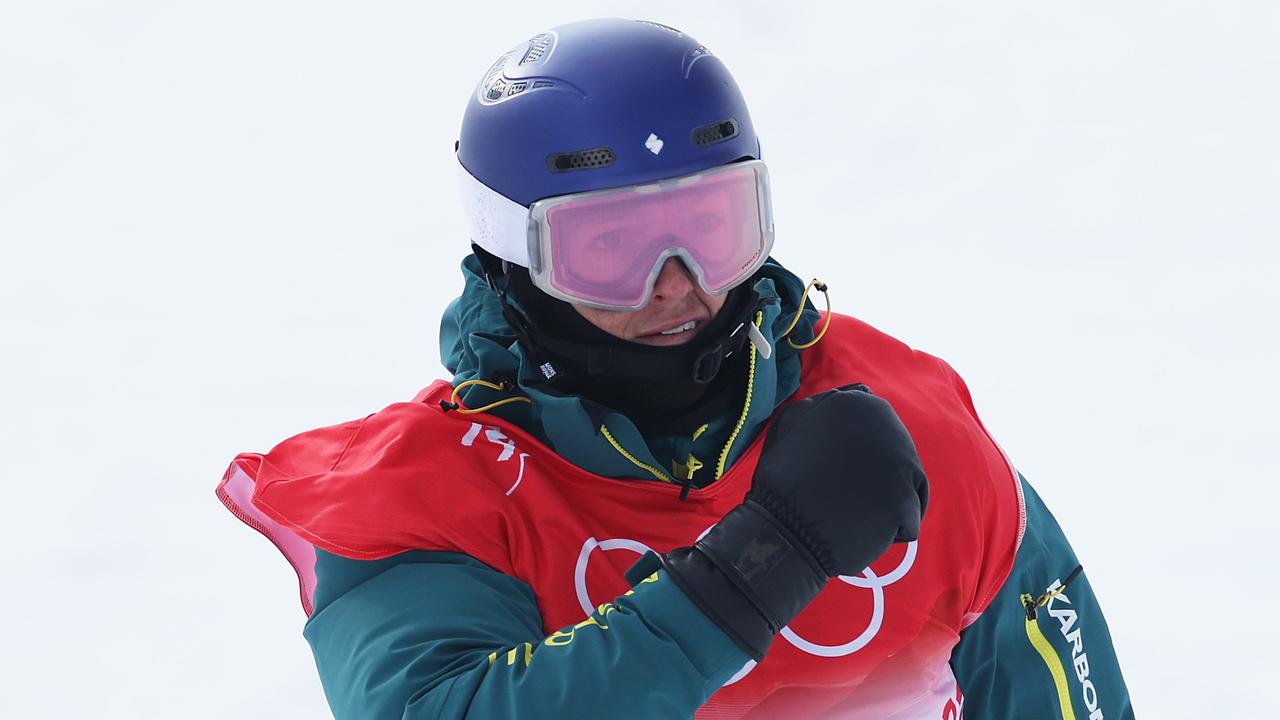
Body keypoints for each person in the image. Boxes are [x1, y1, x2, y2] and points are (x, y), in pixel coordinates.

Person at [218, 18, 1135, 719]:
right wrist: (759, 569)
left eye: (708, 230)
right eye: (608, 244)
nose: (675, 289)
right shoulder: (429, 497)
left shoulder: (896, 422)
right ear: (513, 252)